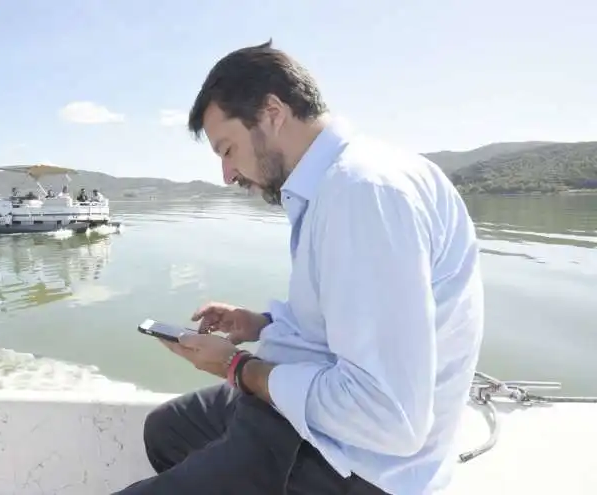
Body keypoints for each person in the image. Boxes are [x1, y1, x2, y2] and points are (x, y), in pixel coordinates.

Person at [115, 40, 484, 495]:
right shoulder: (332, 186)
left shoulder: (363, 194)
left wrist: (236, 367)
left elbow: (389, 419)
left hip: (358, 463)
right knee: (167, 432)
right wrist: (259, 323)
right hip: (311, 413)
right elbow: (343, 317)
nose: (227, 175)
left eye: (227, 149)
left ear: (272, 112)